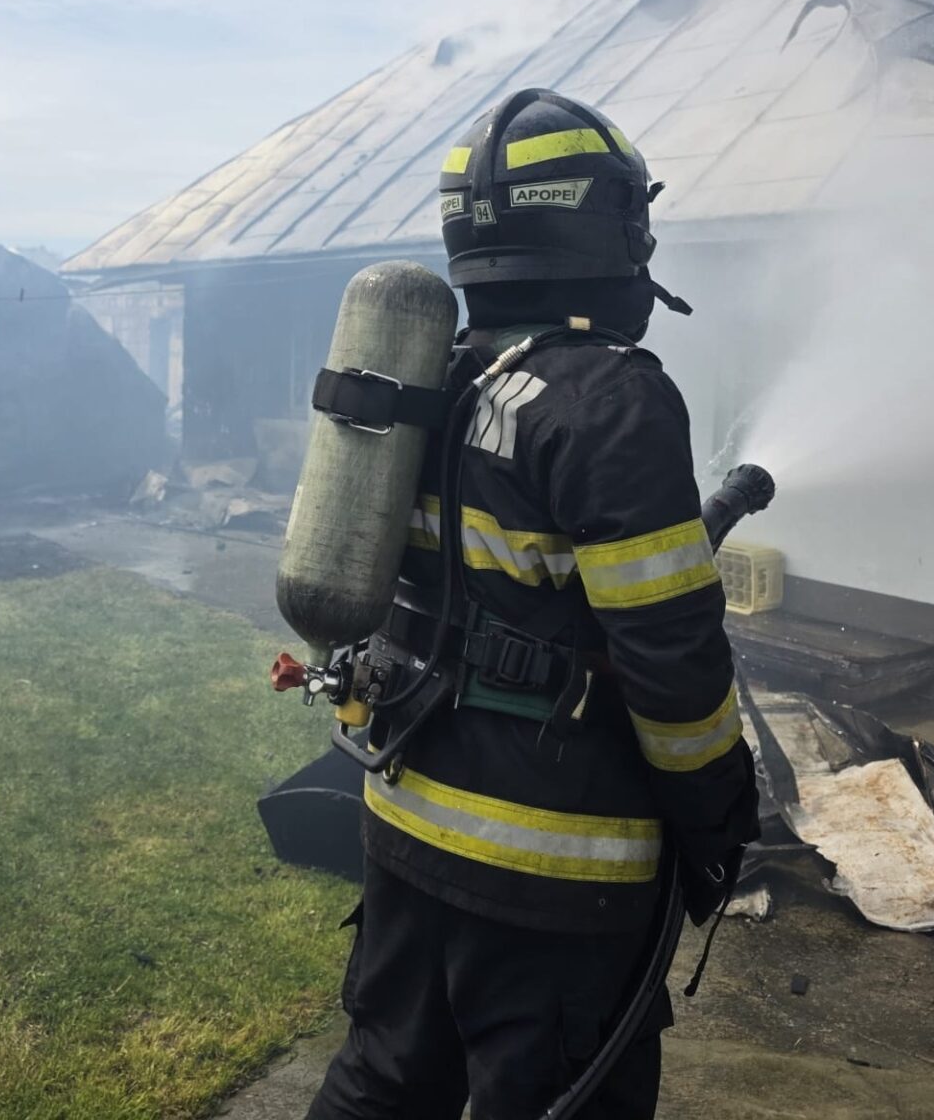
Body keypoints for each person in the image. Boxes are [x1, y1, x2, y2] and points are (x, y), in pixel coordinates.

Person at [306, 89, 760, 1120]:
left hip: (405, 815)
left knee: (382, 1083)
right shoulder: (613, 398)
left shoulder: (433, 381)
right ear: (609, 225)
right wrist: (720, 814)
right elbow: (673, 664)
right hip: (554, 871)